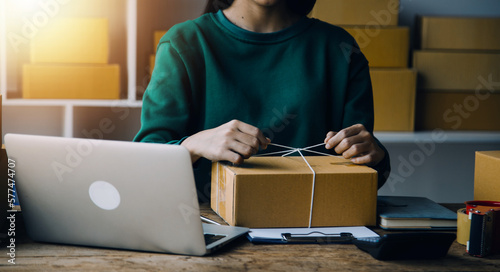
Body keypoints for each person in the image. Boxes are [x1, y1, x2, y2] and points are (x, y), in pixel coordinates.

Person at [134, 0, 391, 202]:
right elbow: (144, 165)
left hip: (316, 227)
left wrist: (374, 156)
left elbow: (366, 170)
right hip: (206, 227)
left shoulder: (340, 48)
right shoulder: (183, 43)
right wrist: (192, 145)